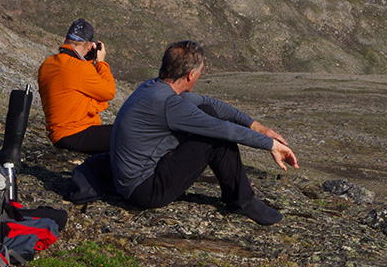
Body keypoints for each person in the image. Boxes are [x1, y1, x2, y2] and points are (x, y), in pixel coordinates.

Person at [111, 40, 298, 225]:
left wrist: (257, 126)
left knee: (209, 110)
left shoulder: (155, 87)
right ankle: (243, 202)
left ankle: (240, 199)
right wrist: (272, 145)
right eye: (200, 72)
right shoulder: (169, 103)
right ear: (191, 74)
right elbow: (223, 129)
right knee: (216, 137)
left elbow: (210, 104)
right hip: (146, 190)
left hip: (133, 180)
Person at [37, 18, 116, 154]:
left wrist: (88, 61)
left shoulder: (47, 64)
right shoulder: (79, 69)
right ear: (90, 46)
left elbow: (73, 86)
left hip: (58, 135)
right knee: (129, 133)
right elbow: (109, 92)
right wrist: (101, 62)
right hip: (76, 134)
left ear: (65, 39)